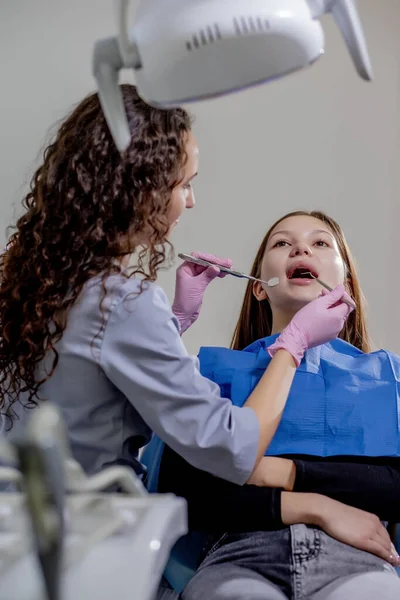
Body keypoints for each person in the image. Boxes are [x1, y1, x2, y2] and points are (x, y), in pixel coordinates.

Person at [0, 87, 352, 495]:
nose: (191, 201)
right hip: (79, 528)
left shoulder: (27, 274)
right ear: (142, 189)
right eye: (184, 184)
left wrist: (175, 320)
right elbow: (232, 449)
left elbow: (100, 369)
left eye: (321, 243)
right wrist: (294, 344)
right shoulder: (122, 303)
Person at [157, 211, 400, 599]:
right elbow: (189, 491)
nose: (301, 247)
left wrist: (279, 471)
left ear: (347, 284)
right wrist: (318, 504)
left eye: (320, 243)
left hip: (358, 561)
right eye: (282, 243)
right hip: (236, 560)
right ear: (259, 288)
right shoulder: (209, 374)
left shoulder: (389, 376)